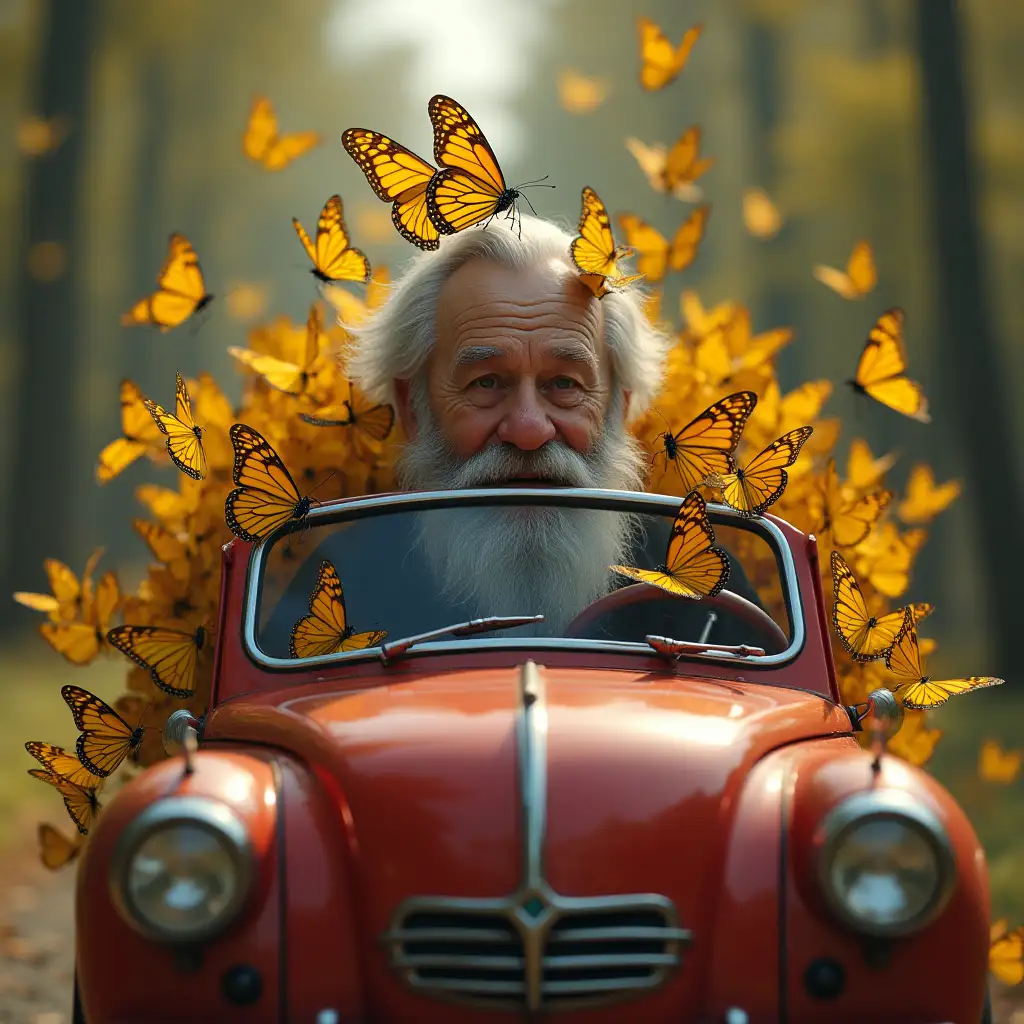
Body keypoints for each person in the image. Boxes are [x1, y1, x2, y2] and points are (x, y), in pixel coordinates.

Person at [346, 216, 672, 637]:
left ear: (619, 409)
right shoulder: (345, 583)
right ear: (413, 408)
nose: (529, 430)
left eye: (564, 384)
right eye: (485, 383)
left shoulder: (691, 589)